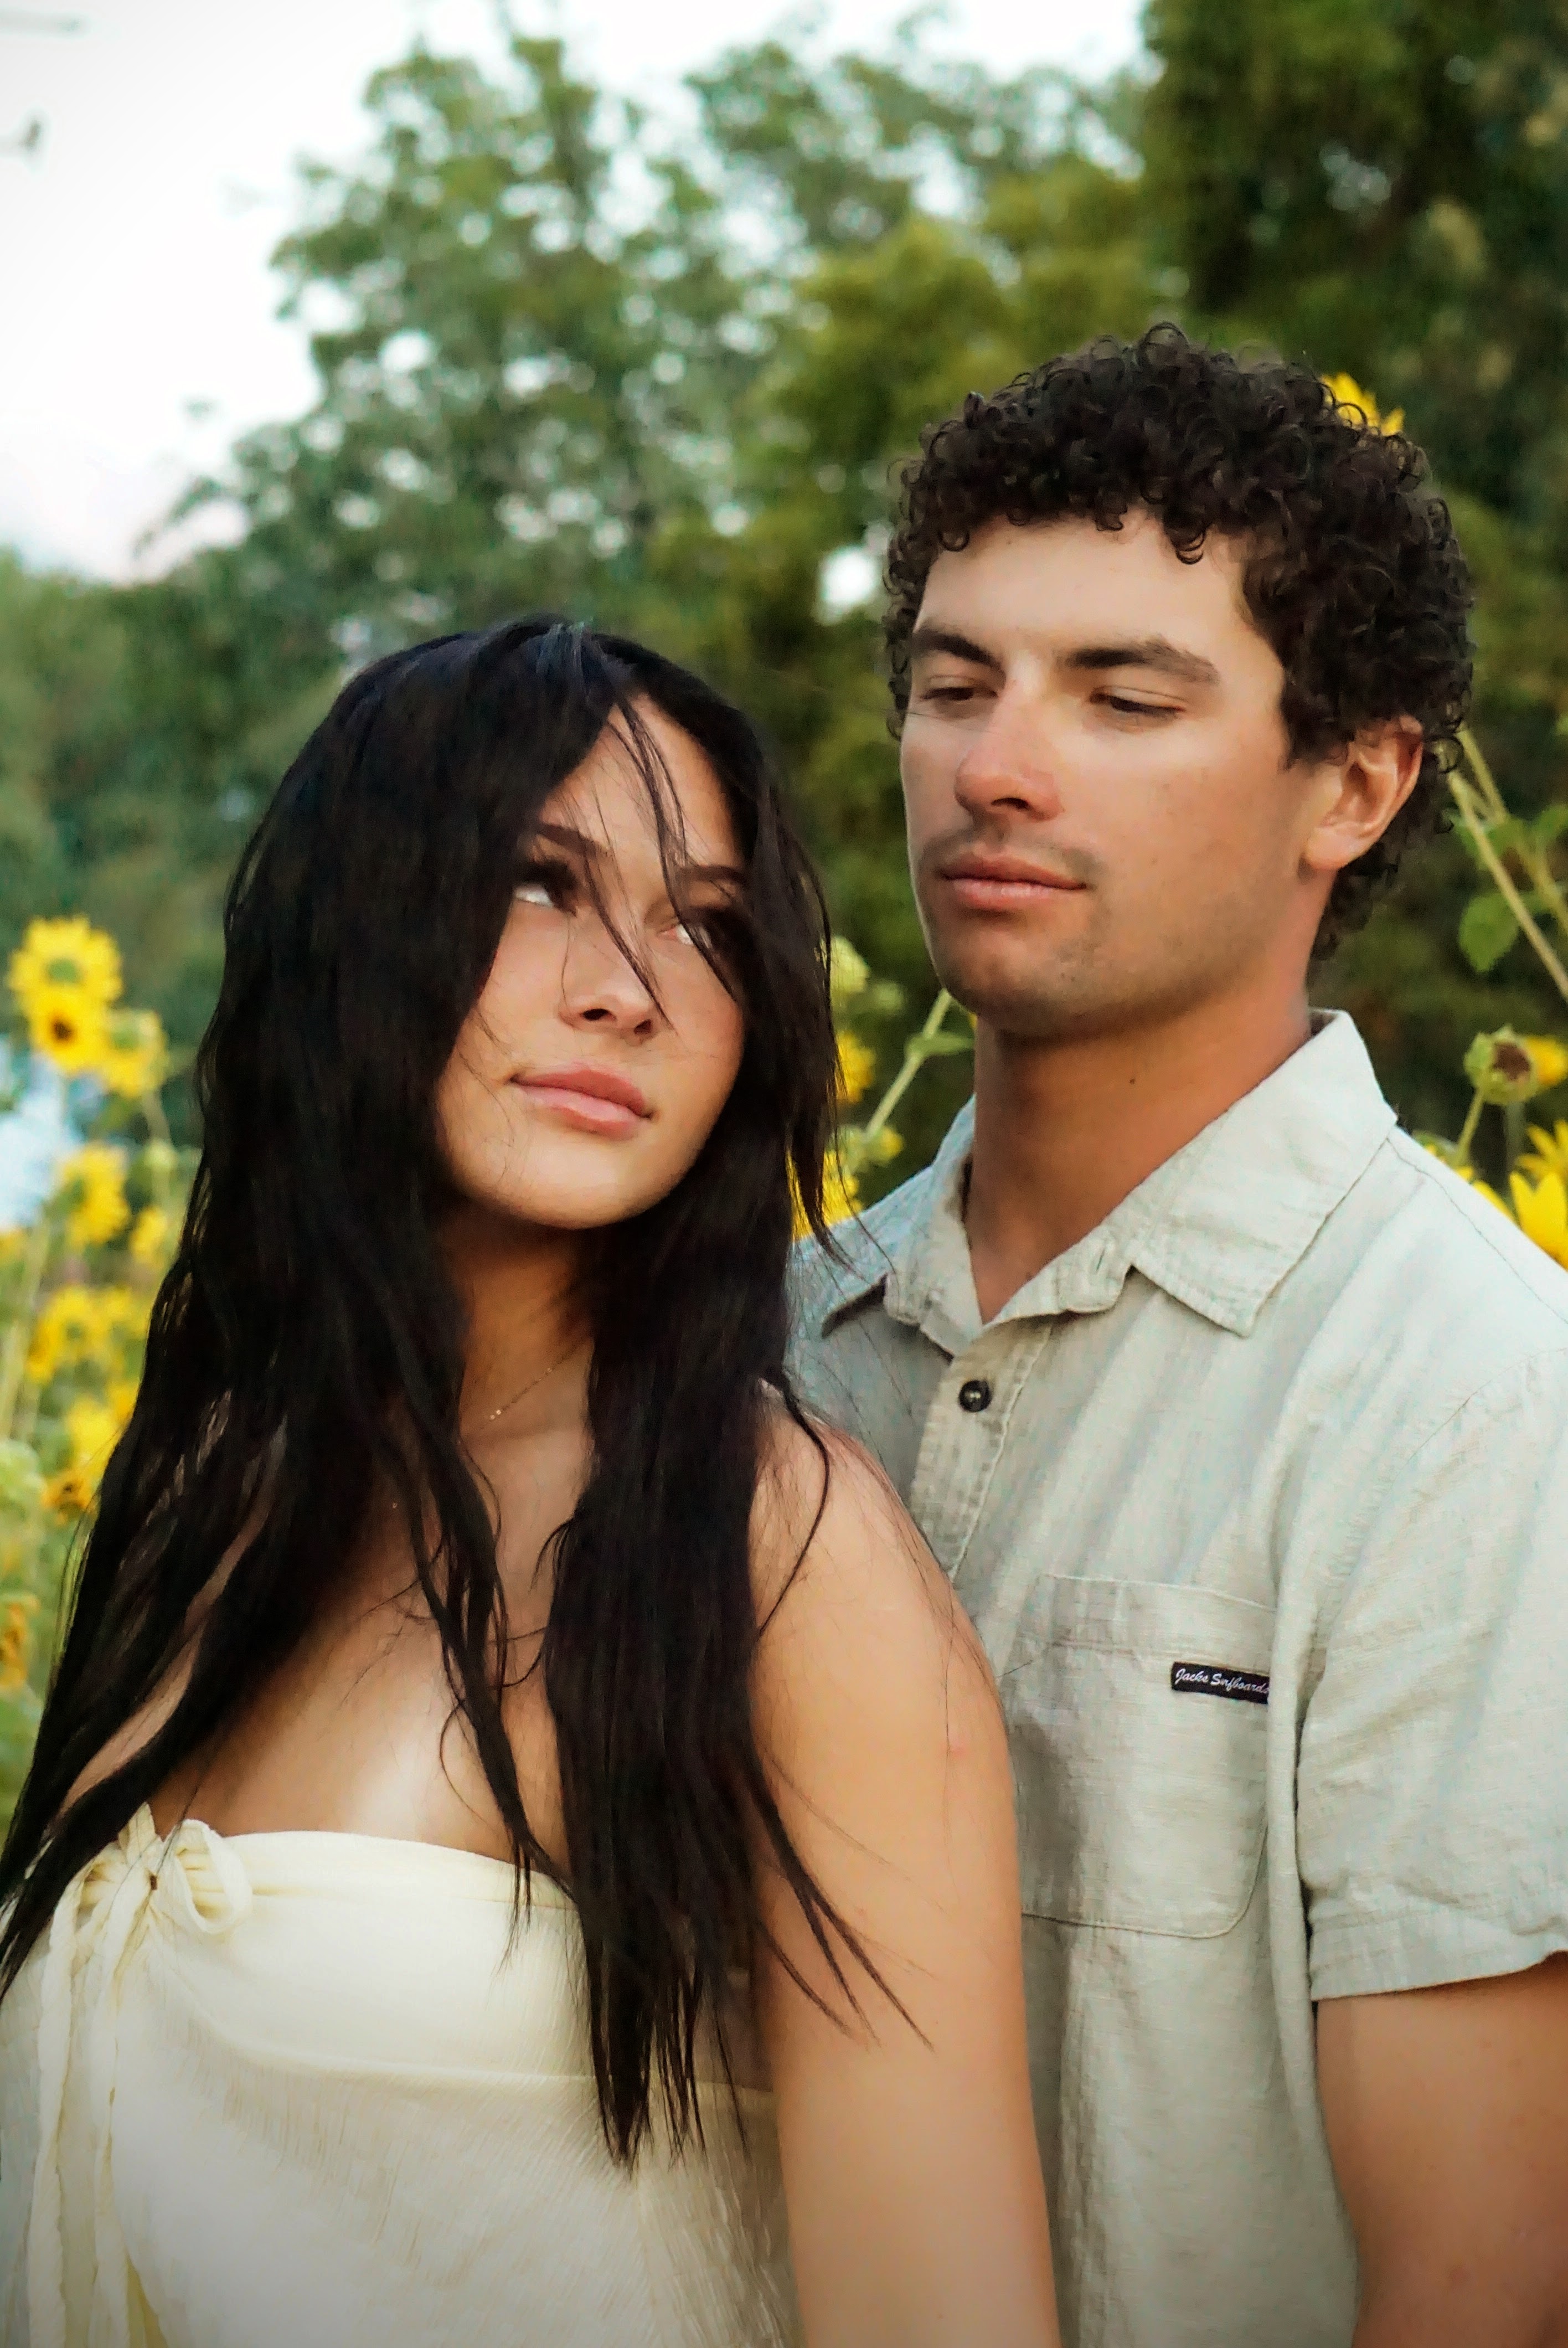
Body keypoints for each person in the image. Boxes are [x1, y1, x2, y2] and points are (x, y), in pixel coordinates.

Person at [0, 619, 1059, 2348]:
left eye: (709, 927)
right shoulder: (212, 1483)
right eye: (538, 883)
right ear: (357, 919)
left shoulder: (770, 1550)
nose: (628, 989)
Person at [790, 328, 1568, 2348]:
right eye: (954, 686)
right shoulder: (770, 1349)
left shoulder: (1479, 1396)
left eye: (1126, 695)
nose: (997, 762)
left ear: (1361, 782)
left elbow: (1478, 2290)